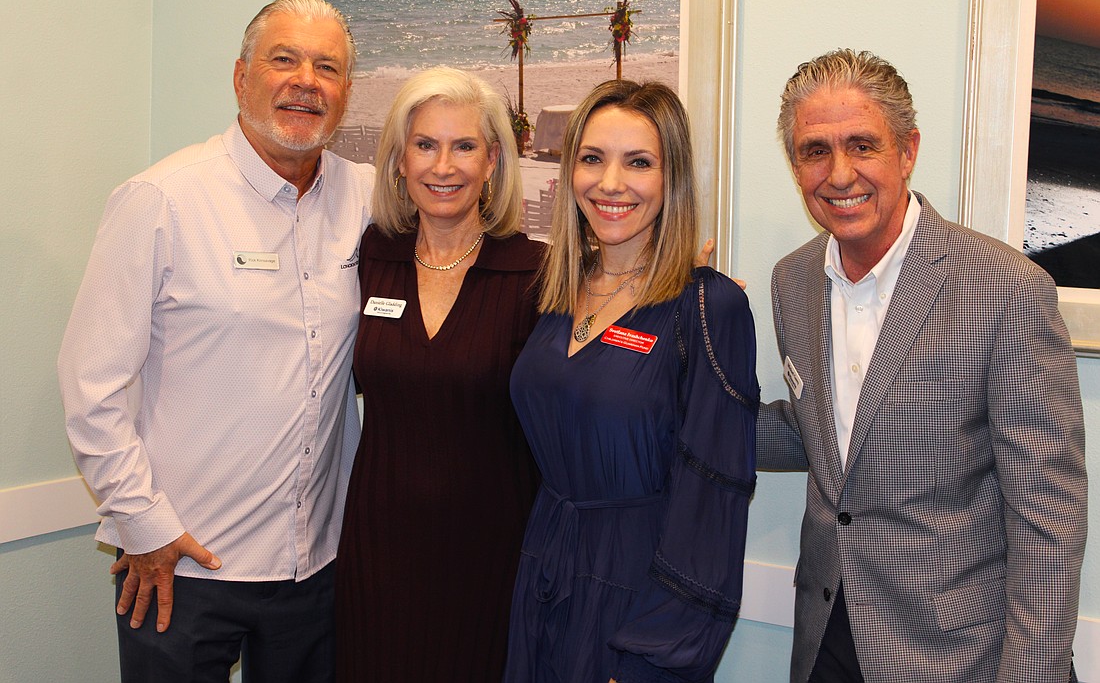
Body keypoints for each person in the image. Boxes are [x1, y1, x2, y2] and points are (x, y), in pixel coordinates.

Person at [57, 0, 371, 682]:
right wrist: (143, 525)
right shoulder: (162, 199)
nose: (306, 81)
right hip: (180, 566)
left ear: (346, 93)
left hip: (315, 570)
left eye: (327, 67)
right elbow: (91, 384)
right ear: (240, 77)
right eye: (283, 59)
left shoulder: (368, 198)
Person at [758, 49, 1087, 683]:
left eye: (862, 145)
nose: (839, 172)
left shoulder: (1006, 290)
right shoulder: (792, 279)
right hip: (827, 640)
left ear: (907, 152)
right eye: (814, 150)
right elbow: (826, 434)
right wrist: (666, 401)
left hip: (959, 659)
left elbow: (1048, 518)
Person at [505, 80, 759, 683]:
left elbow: (714, 498)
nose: (610, 183)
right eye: (592, 159)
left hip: (637, 596)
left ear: (672, 180)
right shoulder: (555, 291)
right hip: (544, 570)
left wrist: (657, 651)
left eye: (638, 162)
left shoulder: (709, 306)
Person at [333, 67, 542, 682]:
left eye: (464, 146)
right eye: (425, 145)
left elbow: (606, 350)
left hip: (491, 556)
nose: (442, 166)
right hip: (377, 554)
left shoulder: (536, 275)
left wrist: (683, 303)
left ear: (494, 161)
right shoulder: (372, 257)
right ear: (399, 160)